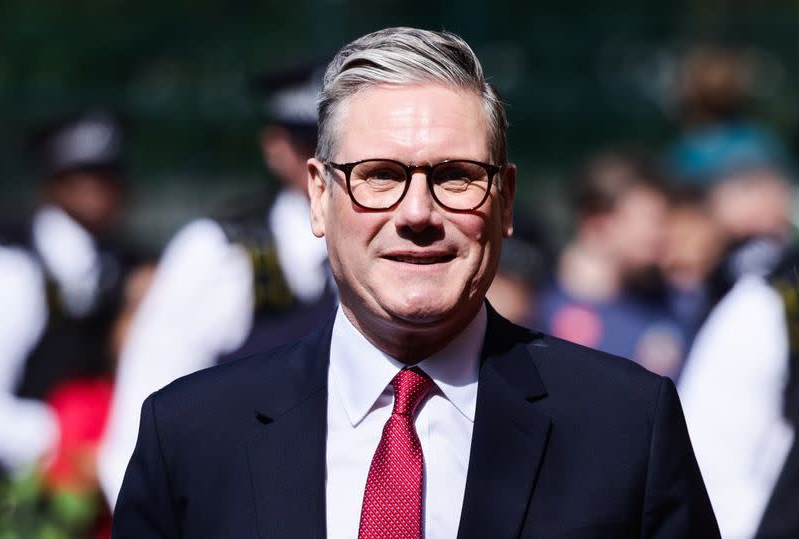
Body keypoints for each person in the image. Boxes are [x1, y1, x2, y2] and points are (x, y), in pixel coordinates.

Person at [112, 27, 719, 538]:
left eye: (455, 176)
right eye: (379, 175)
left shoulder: (625, 426)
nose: (417, 213)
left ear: (505, 201)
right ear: (319, 197)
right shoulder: (190, 437)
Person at [96, 61, 335, 507]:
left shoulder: (406, 247)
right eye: (313, 142)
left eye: (342, 143)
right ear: (277, 147)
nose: (327, 161)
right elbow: (141, 424)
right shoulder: (217, 253)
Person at [0, 110, 138, 474]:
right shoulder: (15, 270)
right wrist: (64, 439)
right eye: (82, 177)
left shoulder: (128, 266)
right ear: (52, 184)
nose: (99, 191)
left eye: (108, 177)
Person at [532, 151, 687, 380]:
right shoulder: (535, 310)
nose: (661, 234)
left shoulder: (676, 305)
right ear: (599, 222)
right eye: (651, 219)